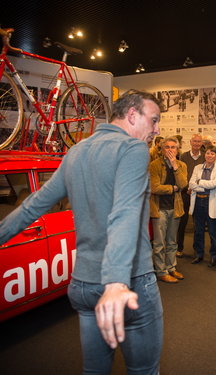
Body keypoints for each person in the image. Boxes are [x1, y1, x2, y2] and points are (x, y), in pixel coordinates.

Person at [0, 90, 163, 373]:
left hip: (84, 285)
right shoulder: (133, 149)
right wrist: (115, 283)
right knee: (144, 371)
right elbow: (124, 212)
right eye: (154, 120)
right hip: (129, 282)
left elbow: (32, 206)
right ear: (133, 115)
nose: (157, 130)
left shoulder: (76, 151)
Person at [150, 136, 188, 283]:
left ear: (177, 150)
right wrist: (172, 188)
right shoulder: (154, 165)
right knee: (159, 243)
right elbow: (154, 187)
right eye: (167, 147)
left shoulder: (181, 165)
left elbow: (183, 184)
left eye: (173, 147)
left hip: (175, 208)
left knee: (172, 242)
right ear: (162, 149)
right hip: (159, 209)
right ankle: (161, 271)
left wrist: (175, 166)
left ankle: (171, 267)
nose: (170, 150)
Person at [189, 145, 216, 267]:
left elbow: (215, 184)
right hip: (198, 202)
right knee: (198, 231)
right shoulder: (197, 167)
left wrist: (199, 182)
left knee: (213, 233)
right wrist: (204, 185)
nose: (210, 155)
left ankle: (214, 256)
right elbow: (191, 184)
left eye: (212, 154)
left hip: (210, 203)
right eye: (208, 153)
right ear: (204, 154)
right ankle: (199, 254)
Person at [177, 134, 205, 257]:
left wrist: (196, 188)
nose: (196, 144)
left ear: (201, 143)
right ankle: (179, 248)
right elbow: (180, 174)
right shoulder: (183, 156)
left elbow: (205, 176)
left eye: (199, 142)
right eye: (194, 141)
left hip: (199, 194)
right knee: (182, 223)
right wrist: (187, 187)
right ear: (190, 142)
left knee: (198, 223)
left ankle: (197, 249)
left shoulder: (205, 157)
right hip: (185, 193)